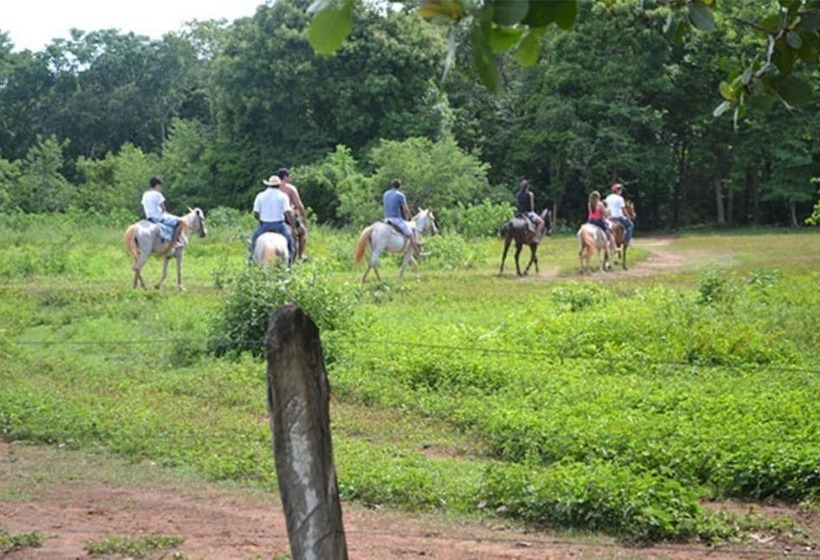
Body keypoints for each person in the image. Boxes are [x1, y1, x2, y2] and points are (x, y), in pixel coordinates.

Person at [249, 174, 295, 265]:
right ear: (279, 185)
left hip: (264, 225)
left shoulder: (260, 195)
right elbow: (288, 212)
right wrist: (293, 226)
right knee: (290, 245)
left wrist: (260, 220)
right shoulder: (283, 196)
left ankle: (251, 261)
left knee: (252, 242)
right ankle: (290, 264)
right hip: (279, 225)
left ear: (268, 185)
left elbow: (255, 213)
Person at [141, 176, 183, 249]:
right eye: (159, 186)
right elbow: (163, 209)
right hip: (158, 217)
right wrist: (166, 213)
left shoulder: (145, 194)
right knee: (180, 222)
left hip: (148, 217)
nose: (160, 188)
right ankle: (175, 242)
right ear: (157, 185)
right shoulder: (157, 194)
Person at [383, 178, 422, 255]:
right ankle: (419, 253)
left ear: (392, 186)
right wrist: (407, 220)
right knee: (410, 234)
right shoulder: (401, 195)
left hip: (386, 218)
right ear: (400, 186)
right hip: (396, 219)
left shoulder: (386, 194)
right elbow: (406, 210)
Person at [276, 167, 308, 261]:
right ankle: (300, 255)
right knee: (303, 232)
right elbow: (298, 205)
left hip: (274, 215)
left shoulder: (273, 188)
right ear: (285, 177)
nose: (291, 178)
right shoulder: (290, 188)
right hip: (287, 216)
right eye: (289, 176)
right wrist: (304, 217)